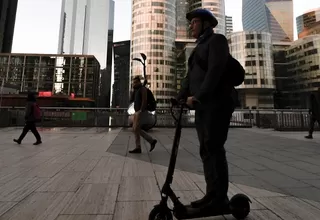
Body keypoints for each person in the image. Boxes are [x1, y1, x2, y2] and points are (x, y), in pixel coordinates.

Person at [176, 9, 235, 211]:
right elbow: (189, 76)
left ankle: (219, 199)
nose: (190, 25)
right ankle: (212, 194)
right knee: (206, 149)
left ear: (206, 24)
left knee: (214, 148)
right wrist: (180, 95)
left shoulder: (217, 41)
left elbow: (215, 71)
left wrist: (198, 96)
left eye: (194, 22)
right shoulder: (198, 48)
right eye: (190, 22)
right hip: (203, 106)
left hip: (218, 103)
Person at [129, 76, 157, 154]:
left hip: (140, 112)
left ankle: (147, 143)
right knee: (135, 129)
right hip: (137, 111)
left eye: (135, 82)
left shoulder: (143, 89)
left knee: (136, 128)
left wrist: (141, 110)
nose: (133, 84)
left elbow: (144, 100)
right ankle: (148, 142)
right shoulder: (136, 90)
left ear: (139, 82)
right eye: (133, 82)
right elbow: (131, 99)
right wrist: (133, 90)